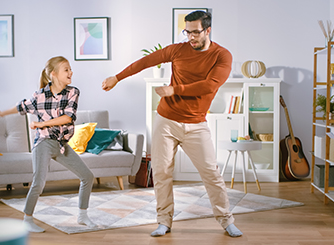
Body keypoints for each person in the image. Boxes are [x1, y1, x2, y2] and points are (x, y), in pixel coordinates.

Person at [102, 11, 242, 237]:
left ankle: (226, 220)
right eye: (187, 32)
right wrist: (117, 77)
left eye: (195, 32)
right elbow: (145, 61)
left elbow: (209, 85)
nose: (191, 37)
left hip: (196, 123)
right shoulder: (177, 50)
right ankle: (164, 221)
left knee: (211, 174)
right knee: (162, 171)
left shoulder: (222, 55)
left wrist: (174, 90)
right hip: (166, 120)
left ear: (207, 30)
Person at [0, 56, 96, 233]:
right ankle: (27, 219)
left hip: (61, 144)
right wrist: (2, 113)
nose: (71, 72)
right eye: (66, 69)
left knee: (87, 176)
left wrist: (40, 124)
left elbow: (68, 117)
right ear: (53, 74)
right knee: (38, 182)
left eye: (70, 69)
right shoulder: (39, 96)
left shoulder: (73, 92)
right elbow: (21, 107)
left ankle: (82, 215)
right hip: (43, 142)